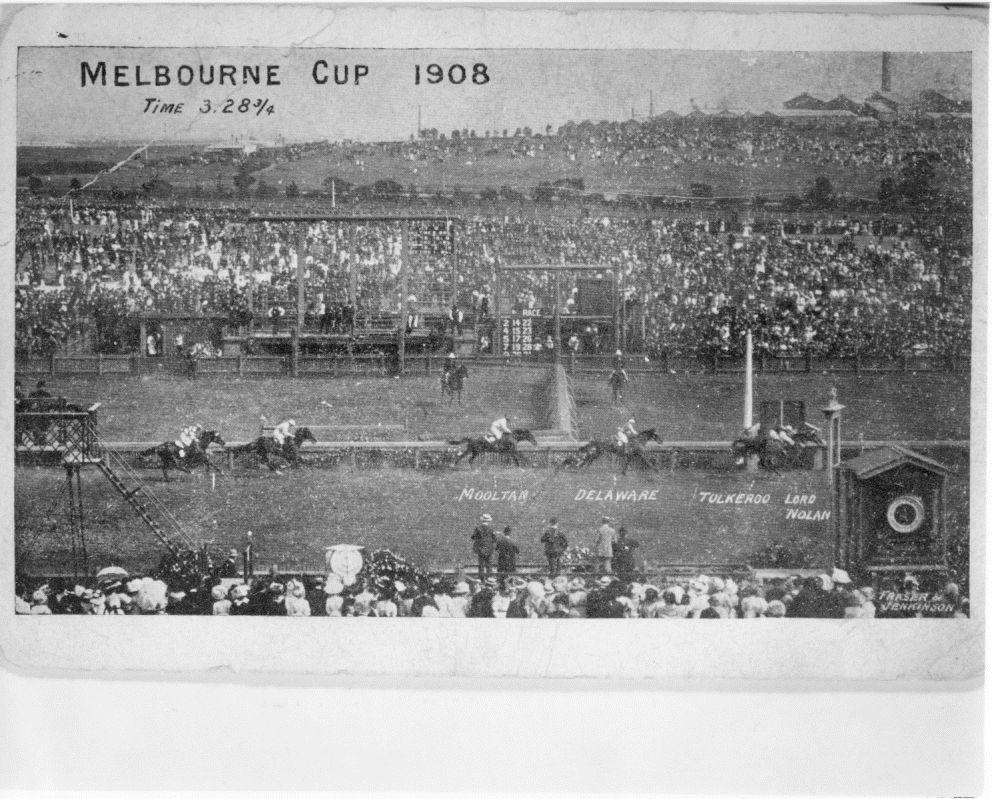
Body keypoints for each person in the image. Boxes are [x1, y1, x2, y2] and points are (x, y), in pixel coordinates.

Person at [471, 513, 497, 578]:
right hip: (489, 549)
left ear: (482, 520)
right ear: (489, 521)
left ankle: (481, 579)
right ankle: (489, 579)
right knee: (489, 565)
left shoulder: (478, 528)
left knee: (481, 565)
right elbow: (495, 539)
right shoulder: (491, 529)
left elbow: (473, 537)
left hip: (481, 549)